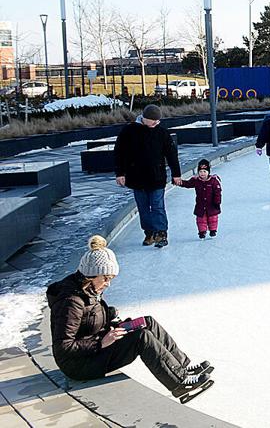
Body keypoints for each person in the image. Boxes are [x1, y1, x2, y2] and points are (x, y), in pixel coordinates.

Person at [47, 236, 213, 402]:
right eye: (105, 279)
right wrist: (101, 342)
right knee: (141, 338)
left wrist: (111, 321)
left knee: (147, 322)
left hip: (94, 348)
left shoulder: (88, 289)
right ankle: (179, 383)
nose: (108, 284)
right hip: (79, 365)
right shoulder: (71, 302)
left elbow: (88, 321)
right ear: (91, 275)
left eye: (110, 279)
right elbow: (63, 347)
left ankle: (181, 367)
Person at [115, 104, 181, 248]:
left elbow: (171, 154)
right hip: (136, 177)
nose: (156, 123)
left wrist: (176, 174)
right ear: (144, 118)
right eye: (154, 121)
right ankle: (149, 233)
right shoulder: (129, 131)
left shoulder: (162, 133)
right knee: (143, 208)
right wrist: (120, 173)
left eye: (158, 121)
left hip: (156, 177)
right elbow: (120, 153)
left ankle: (161, 233)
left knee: (157, 206)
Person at [179, 159, 221, 240]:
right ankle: (202, 232)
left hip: (212, 204)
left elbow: (218, 192)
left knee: (213, 218)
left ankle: (213, 230)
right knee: (201, 219)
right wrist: (180, 182)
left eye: (204, 171)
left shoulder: (213, 181)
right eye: (200, 171)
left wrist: (217, 202)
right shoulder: (196, 181)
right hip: (200, 205)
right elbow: (188, 184)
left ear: (208, 172)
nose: (202, 173)